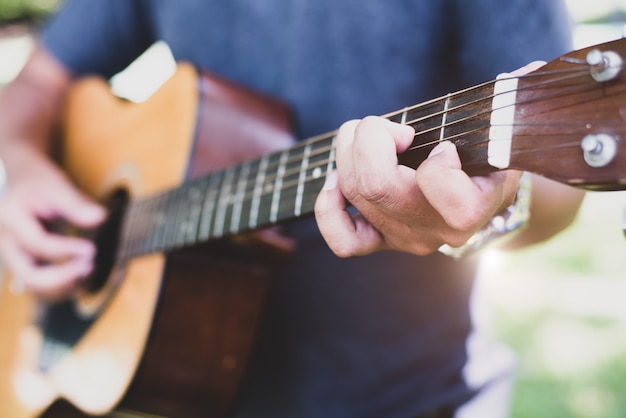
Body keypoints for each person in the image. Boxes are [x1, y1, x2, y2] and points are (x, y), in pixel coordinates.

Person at [0, 1, 585, 417]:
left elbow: (560, 166)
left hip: (403, 392)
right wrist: (23, 170)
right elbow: (34, 86)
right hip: (174, 387)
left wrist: (497, 208)